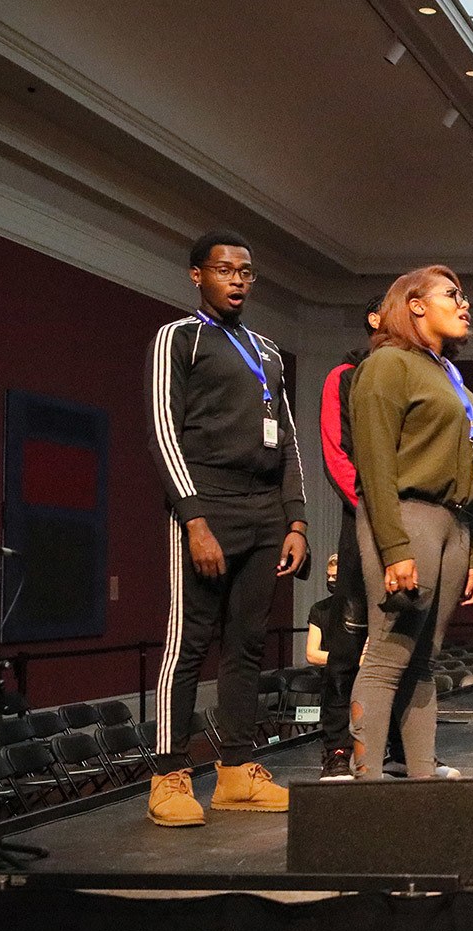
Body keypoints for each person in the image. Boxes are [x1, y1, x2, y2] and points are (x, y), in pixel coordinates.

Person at [143, 230, 304, 827]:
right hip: (206, 502)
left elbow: (287, 439)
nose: (238, 279)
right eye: (225, 270)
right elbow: (164, 429)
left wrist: (298, 519)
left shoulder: (265, 349)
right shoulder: (177, 338)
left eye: (246, 271)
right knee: (188, 642)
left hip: (264, 510)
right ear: (197, 276)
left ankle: (236, 771)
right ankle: (168, 774)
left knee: (248, 644)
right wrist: (194, 519)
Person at [349, 265, 473, 778]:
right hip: (408, 518)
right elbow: (375, 466)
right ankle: (366, 781)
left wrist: (472, 551)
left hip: (454, 524)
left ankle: (422, 778)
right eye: (452, 294)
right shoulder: (388, 364)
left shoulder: (446, 373)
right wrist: (394, 548)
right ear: (414, 305)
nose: (464, 303)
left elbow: (472, 468)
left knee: (424, 659)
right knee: (389, 654)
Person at [315, 298, 380, 779]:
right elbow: (337, 453)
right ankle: (338, 748)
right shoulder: (344, 376)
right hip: (363, 520)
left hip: (411, 522)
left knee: (402, 643)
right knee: (347, 642)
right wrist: (373, 509)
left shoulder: (424, 373)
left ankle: (393, 746)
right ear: (379, 318)